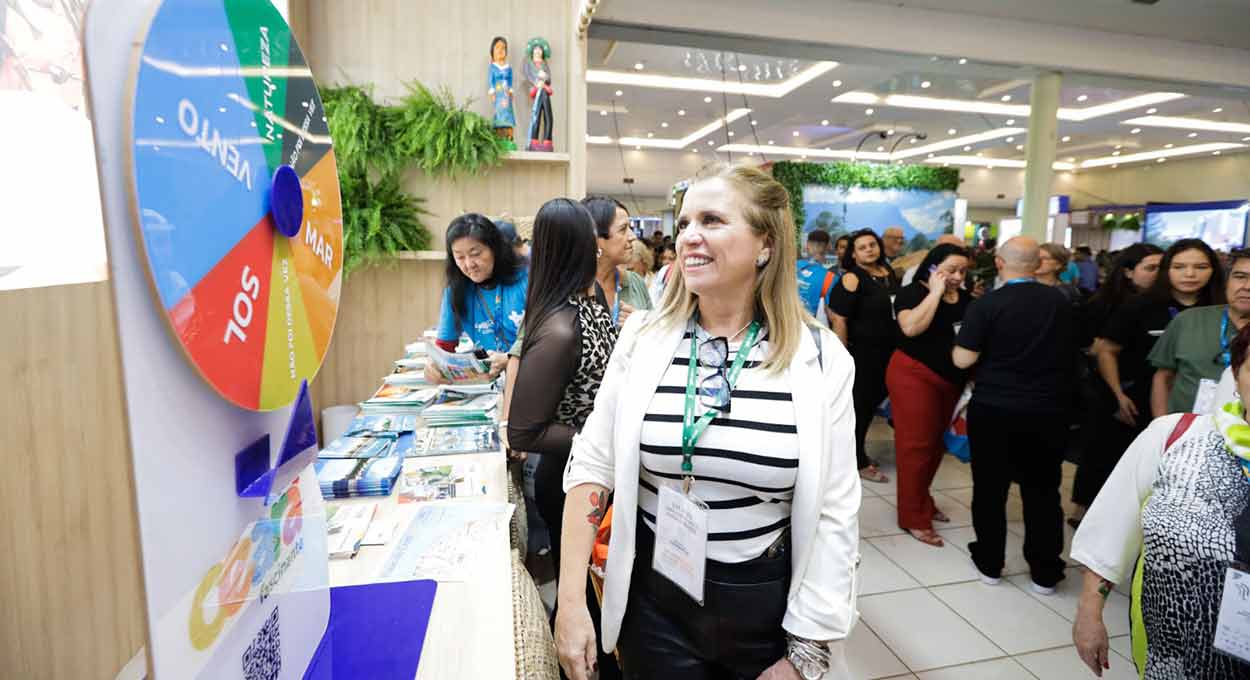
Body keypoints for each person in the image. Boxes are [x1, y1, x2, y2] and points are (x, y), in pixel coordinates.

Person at [555, 163, 860, 680]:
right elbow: (593, 463)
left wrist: (808, 649)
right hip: (654, 596)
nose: (689, 236)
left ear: (765, 243)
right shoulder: (643, 338)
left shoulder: (821, 358)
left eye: (713, 220)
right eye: (685, 222)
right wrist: (569, 602)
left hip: (762, 601)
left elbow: (835, 511)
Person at [1071, 321, 1250, 679]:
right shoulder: (1176, 436)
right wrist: (1090, 611)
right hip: (1170, 648)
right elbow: (1112, 527)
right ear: (1236, 373)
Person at [506, 197, 621, 680]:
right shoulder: (559, 326)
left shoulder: (588, 297)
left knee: (604, 594)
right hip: (571, 477)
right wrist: (598, 441)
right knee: (584, 601)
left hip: (593, 473)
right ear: (581, 246)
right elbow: (523, 430)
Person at [952, 236, 1076, 593]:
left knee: (990, 488)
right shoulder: (1062, 303)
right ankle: (1045, 572)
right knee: (1043, 490)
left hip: (995, 408)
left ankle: (990, 563)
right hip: (1049, 408)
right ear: (1038, 264)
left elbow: (964, 359)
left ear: (1000, 262)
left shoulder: (987, 305)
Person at [1068, 244, 1163, 527]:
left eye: (1162, 267)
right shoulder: (1104, 304)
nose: (1158, 274)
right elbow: (1092, 347)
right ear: (1128, 271)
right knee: (1101, 452)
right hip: (1110, 389)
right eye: (1150, 268)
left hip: (1150, 389)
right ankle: (1083, 511)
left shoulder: (1164, 306)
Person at [887, 243, 971, 547]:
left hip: (951, 381)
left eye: (963, 271)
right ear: (934, 267)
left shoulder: (964, 299)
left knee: (936, 447)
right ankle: (912, 517)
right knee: (916, 447)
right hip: (914, 376)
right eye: (951, 269)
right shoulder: (913, 293)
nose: (957, 276)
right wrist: (935, 292)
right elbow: (910, 329)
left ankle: (923, 499)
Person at [831, 228, 899, 484]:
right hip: (862, 353)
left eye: (872, 244)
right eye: (862, 247)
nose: (869, 249)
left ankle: (855, 455)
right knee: (860, 408)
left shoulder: (887, 273)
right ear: (854, 254)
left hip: (888, 351)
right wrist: (843, 354)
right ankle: (857, 462)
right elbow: (838, 316)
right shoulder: (852, 277)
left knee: (870, 408)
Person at [427, 213, 525, 382]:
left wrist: (510, 358)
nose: (469, 264)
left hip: (529, 375)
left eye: (476, 254)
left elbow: (549, 340)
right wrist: (434, 366)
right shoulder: (455, 291)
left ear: (495, 249)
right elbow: (444, 348)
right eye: (460, 257)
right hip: (489, 383)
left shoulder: (526, 280)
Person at [1149, 241, 1237, 417]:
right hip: (1183, 417)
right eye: (1179, 267)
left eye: (1201, 267)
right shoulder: (1186, 319)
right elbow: (1163, 376)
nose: (1190, 274)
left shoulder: (1224, 306)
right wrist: (1162, 427)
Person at [586, 196, 653, 328]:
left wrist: (642, 324)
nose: (633, 237)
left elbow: (656, 337)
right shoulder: (573, 289)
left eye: (630, 228)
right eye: (623, 229)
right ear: (596, 239)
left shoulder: (635, 282)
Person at [796, 229, 837, 326]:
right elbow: (831, 315)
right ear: (828, 247)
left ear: (807, 245)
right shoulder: (831, 278)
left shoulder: (789, 266)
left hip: (781, 326)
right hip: (808, 331)